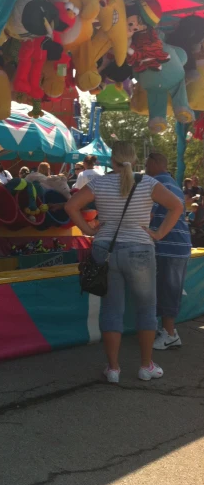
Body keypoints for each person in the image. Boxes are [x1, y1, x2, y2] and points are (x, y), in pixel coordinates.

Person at [65, 141, 183, 384]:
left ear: (112, 160)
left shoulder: (99, 182)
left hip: (105, 249)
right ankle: (145, 366)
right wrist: (159, 233)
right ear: (135, 161)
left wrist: (88, 228)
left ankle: (113, 368)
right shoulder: (148, 183)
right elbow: (177, 206)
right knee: (146, 309)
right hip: (140, 249)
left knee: (111, 309)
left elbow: (71, 205)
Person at [145, 152, 192, 350]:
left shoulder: (156, 184)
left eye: (147, 163)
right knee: (168, 289)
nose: (145, 168)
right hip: (178, 245)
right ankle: (168, 331)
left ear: (155, 163)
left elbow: (148, 213)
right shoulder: (173, 184)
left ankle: (169, 333)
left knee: (167, 290)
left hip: (169, 245)